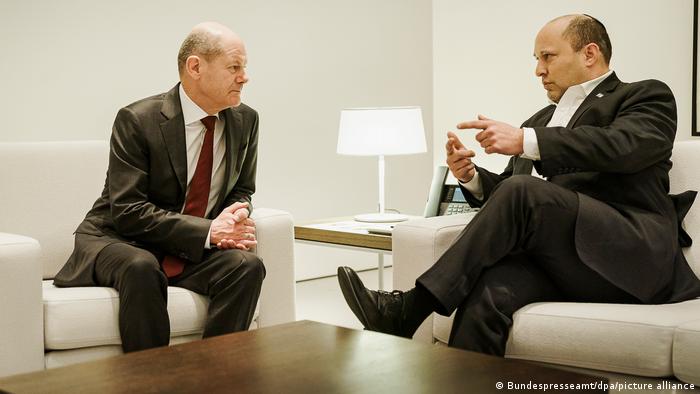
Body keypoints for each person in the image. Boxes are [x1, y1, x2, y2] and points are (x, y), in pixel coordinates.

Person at [337, 14, 700, 355]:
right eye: (536, 59)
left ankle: (408, 309)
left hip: (631, 256)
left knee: (522, 192)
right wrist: (472, 178)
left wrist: (526, 140)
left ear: (590, 54)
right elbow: (513, 202)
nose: (539, 70)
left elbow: (625, 148)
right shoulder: (542, 119)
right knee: (488, 292)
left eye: (548, 57)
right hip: (568, 261)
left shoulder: (645, 96)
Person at [54, 22, 265, 352]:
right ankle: (151, 383)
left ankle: (216, 376)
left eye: (245, 67)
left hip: (183, 245)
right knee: (141, 266)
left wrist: (235, 214)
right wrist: (211, 230)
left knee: (246, 266)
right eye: (234, 67)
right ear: (195, 67)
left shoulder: (245, 120)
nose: (244, 77)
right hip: (118, 238)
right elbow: (127, 211)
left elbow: (243, 188)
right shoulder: (138, 119)